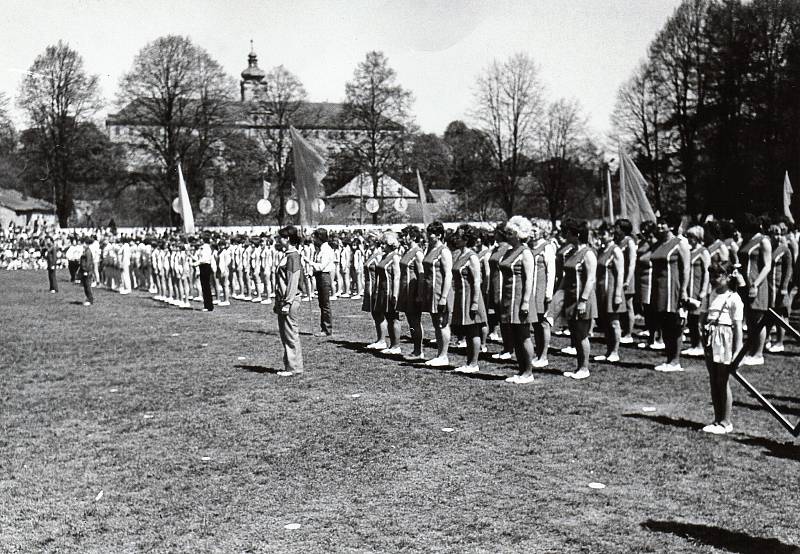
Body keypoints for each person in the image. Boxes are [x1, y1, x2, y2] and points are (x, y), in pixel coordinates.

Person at [702, 261, 744, 435]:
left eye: (717, 275)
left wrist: (738, 352)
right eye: (711, 275)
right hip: (711, 338)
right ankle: (717, 419)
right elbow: (705, 315)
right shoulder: (711, 294)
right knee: (713, 380)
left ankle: (726, 421)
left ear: (728, 277)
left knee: (722, 379)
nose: (713, 279)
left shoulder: (733, 297)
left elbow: (738, 328)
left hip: (724, 339)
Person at [650, 215, 691, 372]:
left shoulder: (680, 243)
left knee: (675, 324)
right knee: (664, 324)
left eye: (663, 224)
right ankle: (669, 359)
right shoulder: (657, 244)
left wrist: (683, 290)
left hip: (672, 288)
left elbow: (685, 269)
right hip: (658, 289)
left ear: (671, 226)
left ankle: (675, 361)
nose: (660, 226)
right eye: (658, 224)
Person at [499, 216, 536, 384]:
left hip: (520, 297)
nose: (507, 235)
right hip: (508, 296)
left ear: (518, 234)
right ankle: (521, 370)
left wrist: (526, 301)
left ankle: (528, 372)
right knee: (514, 335)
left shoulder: (525, 252)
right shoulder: (508, 251)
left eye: (511, 233)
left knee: (523, 335)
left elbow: (529, 279)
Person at [560, 218, 597, 380]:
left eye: (567, 231)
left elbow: (591, 279)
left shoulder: (588, 253)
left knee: (581, 334)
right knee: (574, 334)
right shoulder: (572, 252)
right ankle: (579, 366)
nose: (564, 234)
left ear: (576, 234)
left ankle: (584, 368)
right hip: (570, 297)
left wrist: (583, 300)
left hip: (582, 298)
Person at [450, 224, 488, 374]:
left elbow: (477, 281)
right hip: (461, 296)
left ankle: (473, 363)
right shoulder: (459, 254)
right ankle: (469, 362)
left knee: (473, 330)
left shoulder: (472, 256)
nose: (455, 239)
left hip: (471, 296)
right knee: (468, 330)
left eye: (459, 236)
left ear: (466, 239)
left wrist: (474, 302)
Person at [738, 214, 772, 365]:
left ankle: (759, 354)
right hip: (744, 284)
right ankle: (752, 351)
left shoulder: (763, 241)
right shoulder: (746, 240)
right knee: (750, 319)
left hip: (756, 284)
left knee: (758, 319)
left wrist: (755, 284)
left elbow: (767, 265)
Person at [420, 221, 453, 367]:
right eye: (428, 232)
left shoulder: (443, 251)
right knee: (436, 323)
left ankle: (443, 355)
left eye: (431, 233)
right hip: (430, 291)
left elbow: (448, 274)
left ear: (439, 235)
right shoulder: (429, 249)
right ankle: (440, 354)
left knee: (442, 323)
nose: (428, 235)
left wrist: (444, 297)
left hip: (440, 290)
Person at [274, 225, 304, 376]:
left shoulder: (293, 256)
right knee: (286, 334)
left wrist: (288, 302)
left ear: (287, 239)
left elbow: (293, 281)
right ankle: (290, 365)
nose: (279, 240)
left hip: (290, 300)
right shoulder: (287, 255)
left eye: (281, 237)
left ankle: (294, 367)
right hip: (283, 299)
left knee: (291, 333)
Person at [594, 223, 625, 363]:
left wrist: (618, 294)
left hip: (612, 290)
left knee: (614, 322)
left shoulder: (615, 251)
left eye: (604, 234)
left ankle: (615, 351)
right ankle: (608, 351)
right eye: (600, 233)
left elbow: (620, 274)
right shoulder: (601, 250)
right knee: (605, 322)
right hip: (602, 291)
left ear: (611, 235)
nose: (601, 236)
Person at [528, 220, 556, 368]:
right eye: (531, 229)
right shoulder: (528, 247)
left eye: (536, 229)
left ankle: (544, 356)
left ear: (543, 231)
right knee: (536, 324)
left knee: (544, 323)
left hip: (541, 290)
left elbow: (551, 272)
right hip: (531, 291)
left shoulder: (547, 247)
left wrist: (548, 294)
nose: (532, 232)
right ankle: (538, 353)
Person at [487, 223, 514, 360]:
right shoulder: (496, 248)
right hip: (493, 284)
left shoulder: (507, 249)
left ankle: (510, 347)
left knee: (505, 319)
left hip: (501, 285)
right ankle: (506, 347)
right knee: (499, 317)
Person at [682, 226, 710, 358]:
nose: (689, 239)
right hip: (689, 288)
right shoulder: (689, 251)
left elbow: (707, 272)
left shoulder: (703, 252)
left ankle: (700, 345)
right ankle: (693, 344)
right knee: (691, 320)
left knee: (698, 319)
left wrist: (704, 290)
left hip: (698, 288)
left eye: (691, 237)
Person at [398, 226, 425, 361]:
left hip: (413, 290)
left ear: (413, 237)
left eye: (405, 235)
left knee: (415, 321)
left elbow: (421, 275)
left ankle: (419, 351)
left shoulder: (417, 253)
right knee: (411, 321)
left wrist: (420, 294)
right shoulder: (406, 251)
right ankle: (416, 349)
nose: (403, 238)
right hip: (405, 290)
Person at [373, 231, 402, 355]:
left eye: (384, 243)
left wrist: (395, 294)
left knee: (393, 318)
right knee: (388, 317)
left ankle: (396, 345)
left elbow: (397, 276)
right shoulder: (385, 256)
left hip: (390, 290)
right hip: (383, 290)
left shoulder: (395, 256)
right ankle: (391, 345)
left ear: (390, 243)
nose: (382, 246)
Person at [766, 224, 792, 353]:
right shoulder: (767, 249)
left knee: (780, 314)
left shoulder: (784, 250)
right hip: (769, 287)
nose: (777, 237)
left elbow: (788, 270)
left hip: (779, 287)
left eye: (779, 234)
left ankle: (780, 342)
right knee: (768, 315)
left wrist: (784, 287)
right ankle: (767, 340)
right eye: (775, 234)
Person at [614, 218, 638, 344]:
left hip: (627, 277)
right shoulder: (617, 241)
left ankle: (629, 333)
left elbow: (632, 263)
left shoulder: (630, 242)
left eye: (617, 227)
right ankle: (623, 329)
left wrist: (627, 280)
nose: (615, 229)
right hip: (618, 276)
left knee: (629, 305)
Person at [363, 233, 387, 349]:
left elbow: (380, 272)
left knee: (378, 313)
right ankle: (379, 338)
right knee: (374, 313)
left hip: (375, 286)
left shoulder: (378, 254)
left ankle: (382, 340)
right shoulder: (370, 252)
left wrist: (377, 289)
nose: (367, 242)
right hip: (369, 286)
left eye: (369, 240)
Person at [310, 228, 335, 336]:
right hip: (319, 276)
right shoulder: (319, 249)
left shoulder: (326, 250)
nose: (313, 239)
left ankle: (327, 329)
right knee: (322, 303)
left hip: (324, 276)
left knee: (325, 304)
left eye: (315, 237)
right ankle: (324, 327)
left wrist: (308, 261)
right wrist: (312, 272)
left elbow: (321, 266)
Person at [195, 234, 214, 312]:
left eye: (201, 239)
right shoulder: (201, 248)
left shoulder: (206, 248)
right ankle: (206, 305)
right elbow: (198, 257)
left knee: (206, 286)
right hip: (202, 266)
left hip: (205, 266)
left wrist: (196, 263)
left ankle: (209, 306)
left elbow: (204, 259)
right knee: (204, 286)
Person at [79, 236, 94, 306]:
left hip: (87, 271)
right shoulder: (85, 251)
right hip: (84, 270)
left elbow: (88, 262)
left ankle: (90, 299)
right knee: (85, 285)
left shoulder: (88, 251)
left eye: (84, 243)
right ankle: (88, 298)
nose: (83, 245)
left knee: (87, 285)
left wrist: (86, 270)